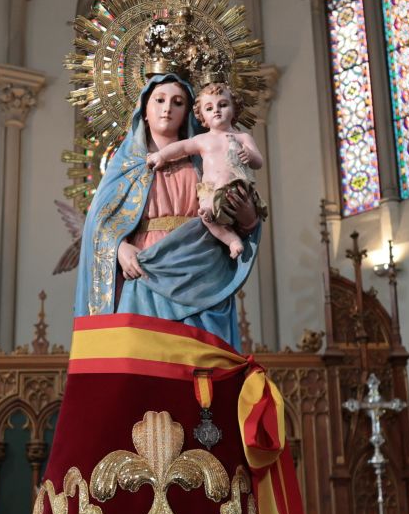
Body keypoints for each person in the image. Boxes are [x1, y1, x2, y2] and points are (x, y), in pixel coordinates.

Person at [73, 70, 261, 348]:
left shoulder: (206, 158)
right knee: (146, 360)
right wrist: (119, 248)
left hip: (202, 271)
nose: (167, 108)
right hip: (146, 270)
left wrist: (247, 217)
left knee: (200, 361)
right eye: (159, 100)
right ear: (144, 111)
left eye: (178, 102)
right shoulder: (126, 166)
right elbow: (98, 223)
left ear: (188, 113)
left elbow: (240, 217)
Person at [144, 81, 265, 260]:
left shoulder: (242, 137)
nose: (216, 111)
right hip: (209, 193)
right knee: (208, 218)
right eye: (209, 108)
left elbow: (258, 161)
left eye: (223, 105)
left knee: (223, 180)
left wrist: (249, 154)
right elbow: (182, 147)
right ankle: (231, 240)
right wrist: (161, 156)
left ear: (235, 109)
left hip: (232, 189)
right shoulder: (202, 140)